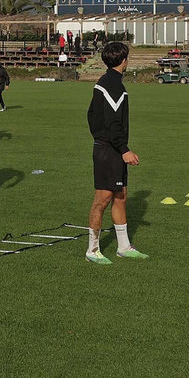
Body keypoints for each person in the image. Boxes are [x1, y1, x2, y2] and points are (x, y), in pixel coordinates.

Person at [85, 41, 146, 264]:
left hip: (109, 148)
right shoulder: (113, 86)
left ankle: (123, 247)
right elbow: (112, 124)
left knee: (121, 197)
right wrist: (123, 150)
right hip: (108, 151)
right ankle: (92, 250)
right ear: (124, 60)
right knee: (102, 200)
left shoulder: (107, 82)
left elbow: (90, 114)